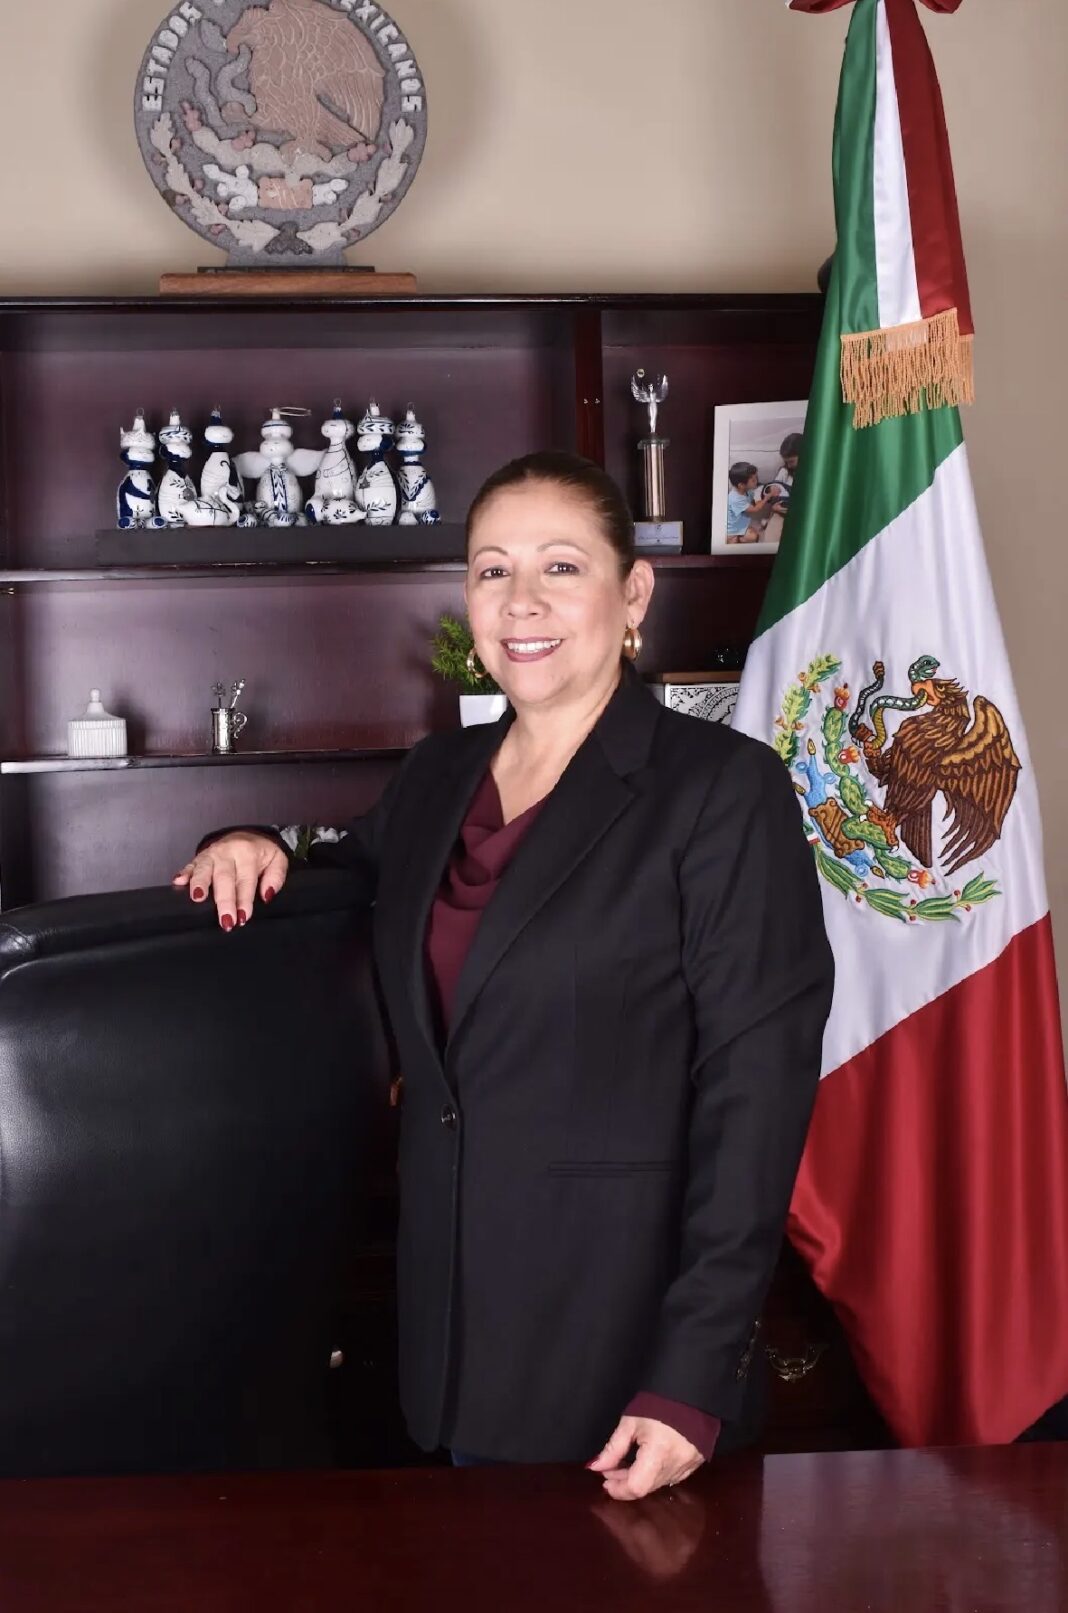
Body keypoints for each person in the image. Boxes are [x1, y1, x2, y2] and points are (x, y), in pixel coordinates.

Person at [174, 451, 834, 1501]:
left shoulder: (721, 789)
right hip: (450, 1342)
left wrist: (693, 1374)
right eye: (492, 570)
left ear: (633, 593)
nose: (520, 601)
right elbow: (346, 875)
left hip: (626, 1362)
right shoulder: (438, 774)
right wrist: (250, 840)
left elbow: (756, 1098)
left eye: (560, 566)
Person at [760, 431, 804, 548]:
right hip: (781, 512)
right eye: (786, 462)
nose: (788, 465)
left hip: (803, 513)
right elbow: (774, 489)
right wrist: (774, 506)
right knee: (770, 541)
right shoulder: (785, 472)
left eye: (791, 461)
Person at [725, 462, 780, 544]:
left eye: (756, 478)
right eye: (753, 480)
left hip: (741, 521)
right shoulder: (736, 499)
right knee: (753, 537)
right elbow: (755, 509)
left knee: (754, 533)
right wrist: (767, 497)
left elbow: (755, 498)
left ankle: (739, 536)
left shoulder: (746, 490)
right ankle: (733, 538)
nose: (756, 481)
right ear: (741, 485)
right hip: (732, 528)